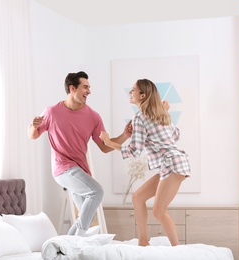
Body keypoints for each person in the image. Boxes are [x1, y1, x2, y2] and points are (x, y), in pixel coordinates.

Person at [27, 71, 132, 236]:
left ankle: (65, 247)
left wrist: (125, 135)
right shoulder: (51, 112)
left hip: (80, 171)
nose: (89, 91)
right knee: (96, 192)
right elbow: (32, 135)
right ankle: (78, 240)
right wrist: (33, 126)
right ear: (72, 88)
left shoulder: (93, 117)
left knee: (87, 217)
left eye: (89, 87)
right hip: (62, 168)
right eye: (85, 87)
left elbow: (105, 147)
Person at [100, 78, 190, 246]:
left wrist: (110, 143)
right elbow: (175, 136)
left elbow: (134, 150)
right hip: (174, 163)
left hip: (172, 163)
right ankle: (143, 241)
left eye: (133, 90)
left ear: (142, 95)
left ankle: (178, 250)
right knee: (138, 197)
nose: (130, 92)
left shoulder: (139, 117)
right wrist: (166, 113)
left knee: (158, 210)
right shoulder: (160, 113)